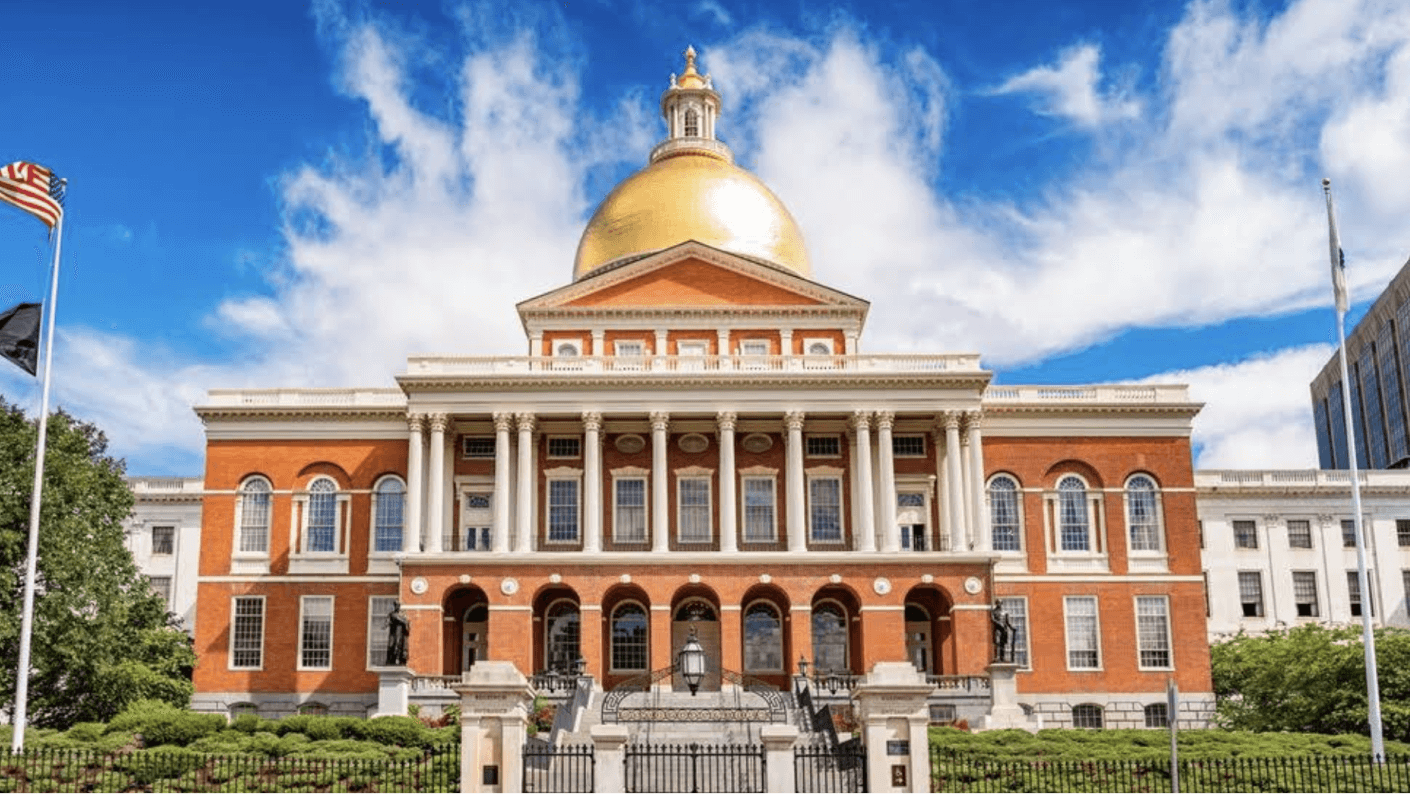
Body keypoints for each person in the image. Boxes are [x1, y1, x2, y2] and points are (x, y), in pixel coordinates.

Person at [386, 601, 410, 667]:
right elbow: (387, 622)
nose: (397, 607)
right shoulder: (392, 614)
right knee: (392, 646)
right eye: (396, 605)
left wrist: (405, 622)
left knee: (399, 646)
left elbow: (407, 627)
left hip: (400, 634)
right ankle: (392, 660)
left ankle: (398, 660)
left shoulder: (401, 616)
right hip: (394, 633)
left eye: (398, 606)